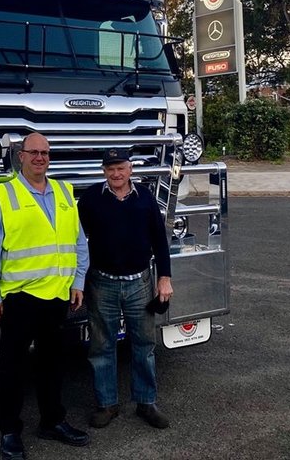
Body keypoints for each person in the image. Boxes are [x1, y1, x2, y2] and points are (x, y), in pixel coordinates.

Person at [0, 133, 90, 460]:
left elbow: (78, 242)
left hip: (58, 295)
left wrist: (78, 281)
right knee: (12, 367)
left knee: (52, 363)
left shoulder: (64, 192)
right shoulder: (4, 195)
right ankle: (10, 432)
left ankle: (52, 421)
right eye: (34, 152)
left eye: (45, 152)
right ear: (21, 156)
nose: (40, 157)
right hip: (20, 297)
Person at [77, 147, 173, 430]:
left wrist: (164, 277)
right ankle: (107, 404)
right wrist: (77, 279)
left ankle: (146, 402)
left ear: (130, 169)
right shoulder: (91, 199)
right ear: (103, 171)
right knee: (101, 346)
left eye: (121, 168)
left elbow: (160, 240)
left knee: (144, 344)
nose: (116, 174)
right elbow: (77, 241)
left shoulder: (145, 198)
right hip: (101, 283)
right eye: (110, 169)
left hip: (139, 283)